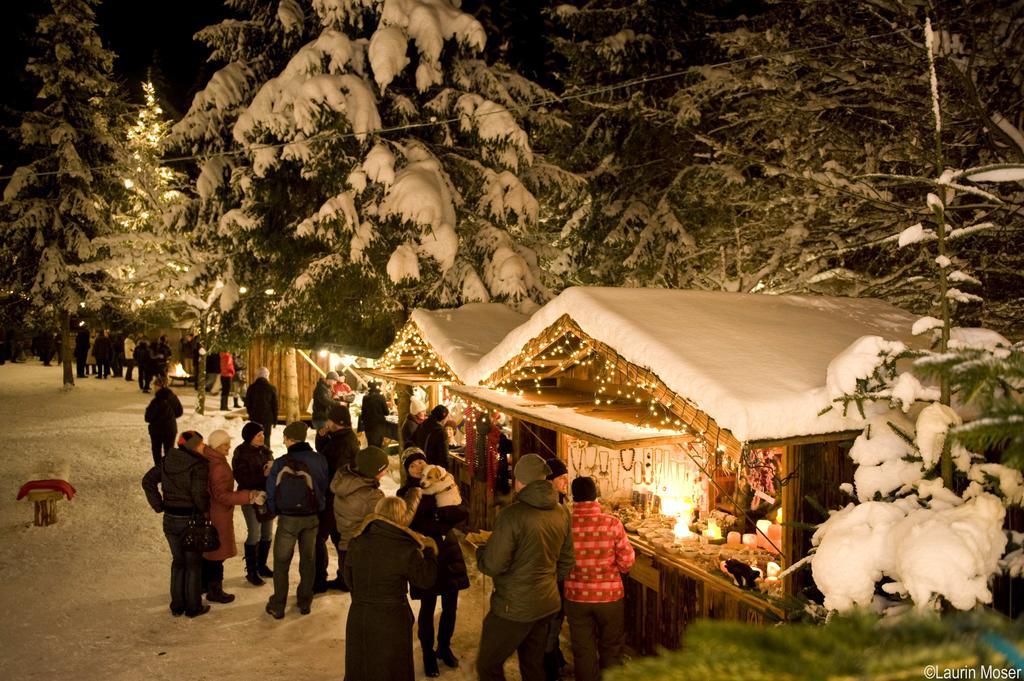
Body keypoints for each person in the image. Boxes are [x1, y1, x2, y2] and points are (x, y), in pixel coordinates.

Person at [475, 454, 575, 681]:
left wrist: (481, 552)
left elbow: (493, 564)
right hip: (547, 604)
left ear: (519, 481)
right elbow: (568, 561)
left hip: (513, 607)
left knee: (488, 665)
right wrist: (546, 579)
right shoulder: (562, 511)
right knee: (533, 666)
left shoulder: (512, 515)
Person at [344, 495, 438, 681]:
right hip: (392, 618)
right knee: (392, 669)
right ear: (402, 518)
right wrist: (430, 551)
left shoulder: (357, 540)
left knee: (361, 666)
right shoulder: (406, 547)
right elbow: (426, 580)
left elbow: (349, 579)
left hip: (359, 615)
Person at [397, 448, 469, 676]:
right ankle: (428, 652)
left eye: (420, 463)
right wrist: (440, 520)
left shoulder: (444, 482)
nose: (418, 468)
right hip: (425, 555)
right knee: (427, 607)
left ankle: (444, 647)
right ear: (407, 471)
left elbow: (461, 511)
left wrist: (440, 519)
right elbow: (412, 524)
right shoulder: (405, 493)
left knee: (450, 605)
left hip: (449, 552)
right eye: (412, 466)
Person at [563, 477, 635, 681]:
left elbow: (559, 561)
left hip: (576, 597)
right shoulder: (612, 523)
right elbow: (627, 561)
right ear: (595, 496)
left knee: (582, 649)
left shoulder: (565, 524)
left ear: (573, 496)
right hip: (609, 597)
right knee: (611, 648)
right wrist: (615, 569)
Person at [141, 431, 212, 618]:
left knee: (178, 562)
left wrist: (159, 505)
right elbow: (198, 495)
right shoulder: (198, 466)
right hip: (190, 520)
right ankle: (193, 607)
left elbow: (147, 480)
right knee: (193, 564)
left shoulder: (167, 460)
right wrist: (206, 509)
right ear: (193, 446)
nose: (203, 447)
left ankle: (177, 605)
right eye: (200, 444)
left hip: (170, 519)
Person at [265, 422, 329, 619]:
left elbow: (271, 491)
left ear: (289, 439)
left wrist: (274, 511)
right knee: (308, 560)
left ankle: (278, 604)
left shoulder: (280, 462)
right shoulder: (319, 460)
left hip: (288, 519)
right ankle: (304, 601)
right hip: (311, 518)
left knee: (282, 562)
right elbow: (323, 485)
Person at [198, 430, 261, 605]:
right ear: (217, 446)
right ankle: (214, 590)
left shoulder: (212, 460)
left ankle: (204, 584)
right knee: (216, 554)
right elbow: (222, 496)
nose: (229, 446)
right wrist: (248, 496)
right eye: (225, 444)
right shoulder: (218, 466)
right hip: (218, 514)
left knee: (210, 551)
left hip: (214, 512)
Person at [313, 403, 360, 592]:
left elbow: (330, 466)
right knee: (337, 538)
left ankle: (321, 580)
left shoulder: (344, 443)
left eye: (329, 420)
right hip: (335, 496)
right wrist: (322, 437)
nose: (327, 422)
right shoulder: (339, 437)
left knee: (322, 537)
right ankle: (343, 578)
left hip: (335, 497)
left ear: (337, 422)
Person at [331, 445, 389, 586]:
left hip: (345, 548)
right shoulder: (372, 496)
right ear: (372, 472)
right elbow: (387, 523)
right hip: (362, 553)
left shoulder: (345, 482)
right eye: (384, 469)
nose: (386, 472)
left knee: (357, 598)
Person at [233, 422, 275, 586]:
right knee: (254, 533)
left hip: (266, 497)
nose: (262, 437)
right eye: (258, 435)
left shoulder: (265, 451)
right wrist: (263, 475)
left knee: (267, 533)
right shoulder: (241, 453)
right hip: (250, 498)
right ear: (250, 437)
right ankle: (251, 571)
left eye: (263, 434)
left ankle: (261, 565)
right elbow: (242, 479)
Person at [543, 458, 571, 680]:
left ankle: (555, 658)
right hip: (550, 578)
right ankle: (551, 669)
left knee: (554, 623)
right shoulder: (551, 508)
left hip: (556, 577)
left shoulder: (560, 502)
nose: (565, 482)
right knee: (550, 627)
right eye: (561, 478)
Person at [144, 375, 184, 468]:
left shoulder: (156, 400)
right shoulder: (173, 397)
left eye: (155, 385)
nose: (153, 388)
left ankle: (158, 470)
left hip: (157, 430)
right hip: (170, 428)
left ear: (159, 386)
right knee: (169, 451)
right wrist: (170, 417)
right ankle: (168, 470)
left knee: (156, 451)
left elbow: (148, 417)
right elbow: (179, 411)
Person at [245, 367, 279, 448]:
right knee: (266, 438)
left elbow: (248, 403)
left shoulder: (251, 387)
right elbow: (275, 405)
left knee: (254, 437)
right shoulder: (271, 388)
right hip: (267, 418)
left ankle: (254, 456)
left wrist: (251, 414)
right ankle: (266, 456)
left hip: (255, 417)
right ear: (267, 375)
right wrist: (275, 419)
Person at [358, 380, 391, 448]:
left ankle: (371, 458)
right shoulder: (380, 397)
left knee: (371, 445)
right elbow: (386, 412)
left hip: (368, 426)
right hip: (378, 425)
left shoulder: (365, 398)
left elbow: (363, 412)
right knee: (378, 446)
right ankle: (377, 458)